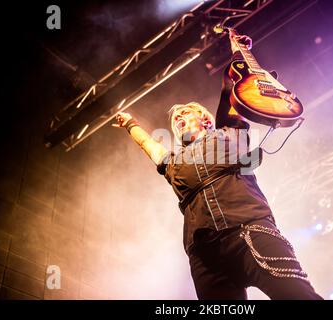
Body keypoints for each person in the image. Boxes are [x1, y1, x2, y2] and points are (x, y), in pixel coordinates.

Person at [113, 31, 322, 300]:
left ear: (205, 119)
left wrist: (239, 52)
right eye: (175, 119)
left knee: (297, 296)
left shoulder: (228, 133)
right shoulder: (174, 162)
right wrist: (130, 124)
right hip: (204, 254)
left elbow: (238, 88)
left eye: (185, 114)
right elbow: (150, 147)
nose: (178, 119)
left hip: (249, 230)